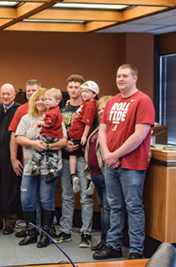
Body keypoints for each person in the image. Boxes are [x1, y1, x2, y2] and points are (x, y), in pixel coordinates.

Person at [93, 64, 155, 260]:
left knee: (133, 207)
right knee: (114, 206)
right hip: (111, 163)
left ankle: (136, 249)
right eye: (118, 76)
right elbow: (102, 130)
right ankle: (114, 244)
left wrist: (116, 155)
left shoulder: (143, 101)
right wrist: (107, 154)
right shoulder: (112, 101)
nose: (121, 79)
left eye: (125, 76)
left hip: (132, 166)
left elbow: (140, 134)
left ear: (134, 78)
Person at [15, 88, 67, 248]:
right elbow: (19, 138)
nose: (41, 102)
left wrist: (48, 146)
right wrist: (34, 144)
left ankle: (46, 234)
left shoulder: (57, 117)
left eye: (44, 99)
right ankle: (31, 233)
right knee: (26, 201)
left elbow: (64, 141)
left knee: (46, 200)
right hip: (30, 167)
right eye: (37, 99)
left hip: (49, 169)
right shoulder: (26, 118)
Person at [55, 74, 94, 249]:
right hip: (64, 157)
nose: (73, 90)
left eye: (77, 87)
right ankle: (66, 230)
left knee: (85, 196)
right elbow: (57, 133)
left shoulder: (89, 108)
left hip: (82, 158)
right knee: (67, 196)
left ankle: (86, 233)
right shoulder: (63, 110)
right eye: (70, 87)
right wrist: (64, 145)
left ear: (83, 89)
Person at [8, 79, 40, 238]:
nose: (31, 93)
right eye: (28, 91)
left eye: (34, 90)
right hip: (26, 162)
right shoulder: (21, 110)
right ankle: (31, 228)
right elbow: (14, 135)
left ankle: (43, 229)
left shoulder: (48, 108)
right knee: (27, 197)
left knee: (43, 198)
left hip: (45, 163)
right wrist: (14, 159)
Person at [0, 83, 22, 235]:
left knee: (11, 187)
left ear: (14, 95)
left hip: (11, 156)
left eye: (8, 94)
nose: (6, 97)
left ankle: (10, 221)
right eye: (3, 94)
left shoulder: (19, 109)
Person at [83, 95, 112, 252]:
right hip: (96, 176)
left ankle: (110, 242)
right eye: (99, 109)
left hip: (107, 175)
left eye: (105, 108)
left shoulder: (112, 130)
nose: (101, 112)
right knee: (103, 208)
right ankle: (104, 239)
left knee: (109, 209)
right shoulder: (97, 129)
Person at [68, 81, 99, 193]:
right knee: (74, 156)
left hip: (79, 135)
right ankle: (74, 176)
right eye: (83, 92)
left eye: (87, 92)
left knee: (80, 157)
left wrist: (84, 136)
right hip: (74, 133)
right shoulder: (85, 103)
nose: (84, 94)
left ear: (94, 94)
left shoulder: (91, 105)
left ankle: (82, 178)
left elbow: (88, 122)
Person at [30, 88, 63, 183]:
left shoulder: (52, 112)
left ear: (57, 101)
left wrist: (40, 122)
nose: (47, 102)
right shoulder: (56, 110)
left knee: (39, 149)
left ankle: (35, 167)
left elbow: (49, 123)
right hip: (56, 137)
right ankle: (52, 171)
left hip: (48, 135)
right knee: (52, 154)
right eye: (46, 100)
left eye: (50, 100)